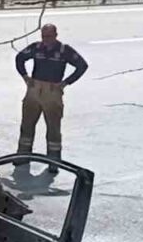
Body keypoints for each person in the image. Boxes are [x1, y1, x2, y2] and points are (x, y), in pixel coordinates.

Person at [14, 23, 88, 173]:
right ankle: (22, 155)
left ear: (56, 35)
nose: (46, 40)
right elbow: (19, 58)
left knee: (53, 128)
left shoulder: (64, 50)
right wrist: (25, 77)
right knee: (27, 124)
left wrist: (65, 83)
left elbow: (82, 65)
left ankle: (54, 161)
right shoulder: (36, 47)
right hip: (34, 90)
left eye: (49, 36)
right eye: (43, 36)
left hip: (52, 91)